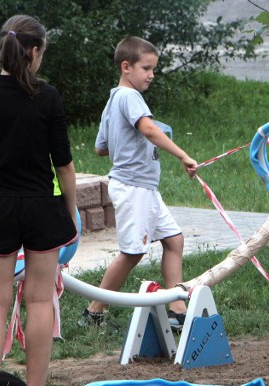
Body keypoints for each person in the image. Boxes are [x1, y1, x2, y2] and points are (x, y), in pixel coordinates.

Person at [0, 15, 77, 386]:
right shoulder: (48, 97)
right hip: (42, 209)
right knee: (40, 301)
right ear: (36, 50)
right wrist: (71, 212)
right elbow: (64, 165)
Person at [78, 36, 197, 330]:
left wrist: (129, 140)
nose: (152, 75)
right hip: (133, 188)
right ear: (126, 66)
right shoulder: (130, 98)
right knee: (133, 253)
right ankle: (93, 313)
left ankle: (176, 309)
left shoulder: (113, 100)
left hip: (143, 188)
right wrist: (182, 155)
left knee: (174, 240)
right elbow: (146, 128)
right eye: (146, 68)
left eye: (153, 68)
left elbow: (100, 148)